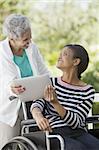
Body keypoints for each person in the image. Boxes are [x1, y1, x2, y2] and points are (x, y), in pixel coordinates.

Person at [31, 44, 99, 150]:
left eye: (65, 54)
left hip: (78, 132)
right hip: (54, 131)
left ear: (75, 61)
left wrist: (56, 103)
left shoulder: (87, 91)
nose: (59, 57)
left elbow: (76, 122)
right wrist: (38, 117)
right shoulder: (50, 83)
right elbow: (36, 104)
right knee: (77, 148)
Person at [0, 14, 50, 149]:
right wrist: (12, 89)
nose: (29, 41)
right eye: (25, 39)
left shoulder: (32, 48)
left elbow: (44, 71)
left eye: (30, 36)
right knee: (9, 144)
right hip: (11, 106)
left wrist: (49, 84)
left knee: (37, 144)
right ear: (11, 38)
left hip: (34, 103)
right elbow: (5, 81)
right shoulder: (2, 52)